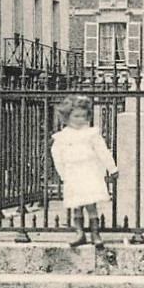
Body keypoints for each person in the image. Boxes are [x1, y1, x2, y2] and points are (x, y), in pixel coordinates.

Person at [51, 97, 118, 250]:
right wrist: (63, 175)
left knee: (91, 203)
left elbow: (103, 151)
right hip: (73, 173)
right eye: (76, 116)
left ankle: (95, 233)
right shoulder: (62, 137)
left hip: (89, 171)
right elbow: (57, 156)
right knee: (76, 204)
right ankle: (79, 233)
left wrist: (112, 168)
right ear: (67, 117)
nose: (80, 120)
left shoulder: (91, 134)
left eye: (83, 116)